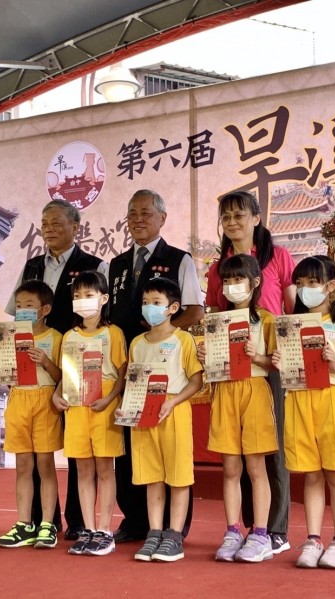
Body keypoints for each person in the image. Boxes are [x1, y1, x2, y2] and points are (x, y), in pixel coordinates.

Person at [6, 199, 109, 539]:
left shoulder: (93, 265)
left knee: (80, 448)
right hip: (34, 370)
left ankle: (79, 521)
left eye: (56, 222)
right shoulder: (31, 266)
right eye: (44, 223)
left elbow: (102, 313)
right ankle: (39, 520)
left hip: (80, 364)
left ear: (75, 226)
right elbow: (16, 316)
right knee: (36, 455)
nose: (48, 228)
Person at [108, 189, 204, 543]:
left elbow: (195, 310)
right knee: (132, 449)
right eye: (132, 213)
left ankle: (175, 529)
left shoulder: (179, 259)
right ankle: (137, 521)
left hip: (166, 369)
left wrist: (164, 336)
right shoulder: (116, 265)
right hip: (130, 366)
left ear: (162, 217)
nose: (138, 219)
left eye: (146, 213)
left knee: (172, 459)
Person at [205, 190, 296, 553]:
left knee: (270, 449)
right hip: (230, 369)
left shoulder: (278, 257)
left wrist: (277, 355)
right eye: (226, 217)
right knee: (234, 455)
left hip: (269, 359)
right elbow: (215, 314)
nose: (232, 222)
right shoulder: (218, 268)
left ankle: (273, 529)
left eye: (239, 215)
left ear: (256, 218)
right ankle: (240, 528)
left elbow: (294, 310)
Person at [271, 256, 335, 569]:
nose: (305, 289)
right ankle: (313, 539)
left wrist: (334, 363)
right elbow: (286, 364)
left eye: (312, 283)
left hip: (333, 400)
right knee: (310, 474)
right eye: (299, 284)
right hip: (299, 400)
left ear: (332, 286)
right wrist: (279, 362)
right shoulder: (290, 326)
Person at [196, 255, 278, 562]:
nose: (231, 286)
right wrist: (205, 356)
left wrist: (258, 357)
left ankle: (261, 534)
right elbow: (213, 364)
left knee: (256, 467)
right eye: (226, 281)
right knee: (230, 468)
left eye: (238, 280)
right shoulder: (217, 321)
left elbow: (276, 364)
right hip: (225, 391)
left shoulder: (266, 320)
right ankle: (232, 531)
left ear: (254, 282)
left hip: (254, 390)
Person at [126, 277, 203, 563]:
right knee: (152, 476)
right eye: (145, 303)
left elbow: (196, 381)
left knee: (178, 476)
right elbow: (132, 382)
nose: (149, 308)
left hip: (173, 411)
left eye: (156, 302)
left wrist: (173, 401)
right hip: (144, 414)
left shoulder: (183, 339)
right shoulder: (137, 343)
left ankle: (174, 536)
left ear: (173, 307)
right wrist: (128, 409)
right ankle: (154, 532)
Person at [52, 271, 127, 557]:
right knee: (83, 469)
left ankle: (105, 530)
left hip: (102, 405)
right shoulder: (69, 335)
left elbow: (122, 373)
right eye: (77, 296)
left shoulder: (113, 333)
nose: (82, 300)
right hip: (76, 406)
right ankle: (88, 528)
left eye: (89, 295)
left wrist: (109, 398)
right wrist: (56, 394)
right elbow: (66, 373)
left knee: (105, 468)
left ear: (104, 298)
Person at [0, 280, 63, 549]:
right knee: (23, 465)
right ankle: (24, 523)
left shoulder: (56, 337)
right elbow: (3, 379)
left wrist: (45, 361)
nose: (22, 310)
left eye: (29, 305)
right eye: (19, 305)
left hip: (44, 400)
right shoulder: (9, 337)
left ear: (45, 309)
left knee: (45, 464)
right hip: (18, 399)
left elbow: (62, 377)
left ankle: (47, 524)